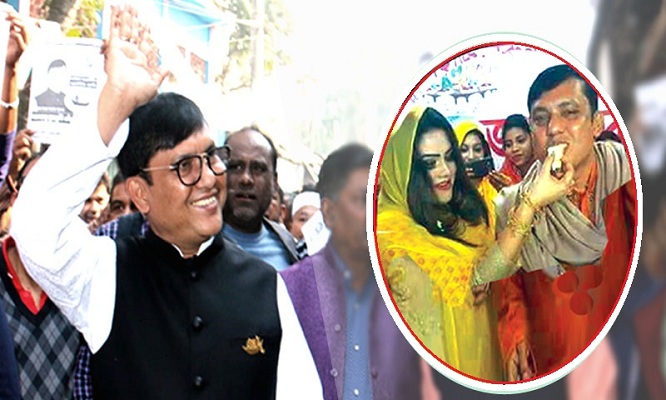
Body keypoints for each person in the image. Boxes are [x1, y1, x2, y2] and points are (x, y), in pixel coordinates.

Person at [10, 5, 322, 399]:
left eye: (211, 157)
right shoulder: (106, 275)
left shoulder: (268, 287)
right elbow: (34, 224)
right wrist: (115, 103)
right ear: (140, 193)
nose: (209, 178)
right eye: (185, 166)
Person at [376, 106, 572, 380]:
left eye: (449, 157)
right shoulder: (388, 236)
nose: (445, 171)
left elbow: (487, 271)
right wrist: (530, 203)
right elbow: (474, 276)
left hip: (482, 357)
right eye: (430, 163)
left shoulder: (457, 213)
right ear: (404, 169)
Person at [494, 64, 636, 380]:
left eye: (569, 113)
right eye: (541, 119)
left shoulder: (626, 175)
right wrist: (515, 332)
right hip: (553, 353)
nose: (554, 129)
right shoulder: (515, 202)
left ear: (597, 124)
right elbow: (509, 282)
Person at [282, 143, 438, 399]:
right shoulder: (291, 288)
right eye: (360, 200)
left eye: (377, 198)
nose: (373, 212)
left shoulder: (403, 278)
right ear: (329, 212)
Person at [0, 153, 81, 399]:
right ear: (15, 197)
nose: (47, 200)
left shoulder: (83, 285)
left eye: (61, 188)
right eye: (36, 186)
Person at [223, 127, 301, 270]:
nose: (246, 179)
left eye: (257, 169)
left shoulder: (289, 247)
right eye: (236, 167)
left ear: (274, 182)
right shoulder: (196, 245)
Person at [497, 114, 537, 185]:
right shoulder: (501, 178)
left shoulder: (546, 169)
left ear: (532, 138)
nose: (514, 149)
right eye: (508, 145)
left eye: (520, 141)